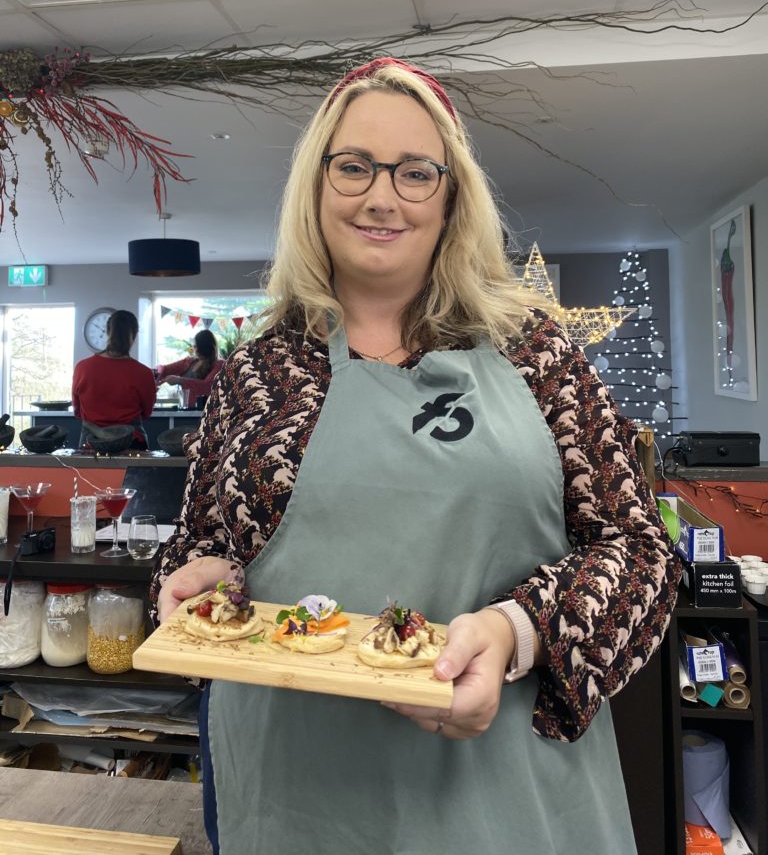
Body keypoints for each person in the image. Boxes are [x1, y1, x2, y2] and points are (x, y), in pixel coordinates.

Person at [151, 58, 680, 855]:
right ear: (318, 185)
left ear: (451, 196)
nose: (380, 196)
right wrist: (199, 583)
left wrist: (517, 632)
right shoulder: (258, 370)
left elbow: (642, 556)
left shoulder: (537, 353)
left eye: (415, 173)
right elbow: (201, 546)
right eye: (354, 166)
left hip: (506, 796)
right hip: (295, 796)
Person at [72, 309, 156, 449]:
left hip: (91, 445)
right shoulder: (144, 373)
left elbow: (77, 411)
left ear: (107, 331)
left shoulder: (82, 368)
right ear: (134, 335)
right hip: (131, 445)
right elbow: (147, 413)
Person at [155, 329, 224, 408]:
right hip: (186, 409)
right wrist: (156, 376)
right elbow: (164, 369)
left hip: (206, 412)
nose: (196, 350)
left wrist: (179, 380)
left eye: (198, 347)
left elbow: (207, 386)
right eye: (195, 346)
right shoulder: (189, 361)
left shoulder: (220, 364)